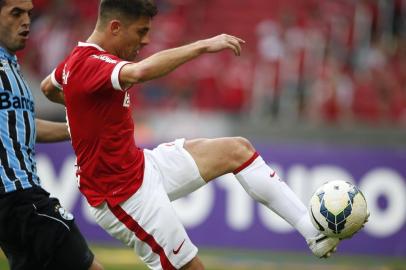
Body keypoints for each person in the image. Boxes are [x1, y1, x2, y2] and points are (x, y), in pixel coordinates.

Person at [40, 0, 360, 269]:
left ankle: (313, 233)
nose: (146, 41)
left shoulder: (74, 61)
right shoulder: (90, 63)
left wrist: (83, 118)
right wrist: (204, 45)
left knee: (237, 150)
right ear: (114, 28)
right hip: (121, 197)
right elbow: (138, 73)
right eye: (141, 32)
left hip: (140, 167)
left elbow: (49, 87)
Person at [0, 1, 104, 269]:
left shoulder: (11, 66)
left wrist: (82, 130)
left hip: (17, 204)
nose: (26, 21)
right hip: (19, 196)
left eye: (29, 14)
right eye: (16, 13)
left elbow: (23, 125)